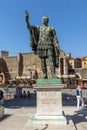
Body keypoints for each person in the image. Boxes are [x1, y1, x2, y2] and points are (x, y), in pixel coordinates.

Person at [25, 10, 60, 78]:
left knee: (51, 60)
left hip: (49, 45)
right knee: (42, 61)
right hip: (41, 45)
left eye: (45, 19)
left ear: (47, 21)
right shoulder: (39, 28)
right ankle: (45, 75)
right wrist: (26, 20)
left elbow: (55, 37)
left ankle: (53, 74)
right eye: (43, 19)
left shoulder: (51, 28)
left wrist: (56, 44)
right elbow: (29, 28)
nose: (43, 20)